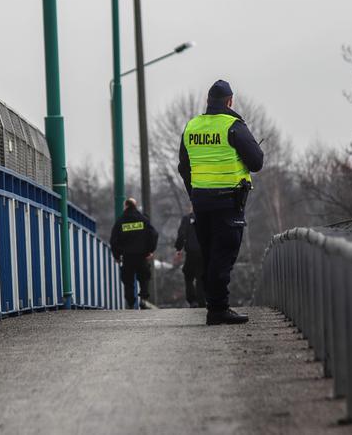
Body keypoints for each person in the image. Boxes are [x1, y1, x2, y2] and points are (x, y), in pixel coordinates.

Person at [177, 79, 264, 325]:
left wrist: (194, 193)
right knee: (223, 255)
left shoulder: (192, 127)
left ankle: (214, 306)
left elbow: (184, 167)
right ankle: (218, 310)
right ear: (230, 101)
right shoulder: (233, 126)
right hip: (228, 203)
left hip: (202, 203)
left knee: (209, 254)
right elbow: (257, 162)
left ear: (207, 101)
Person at [109, 198, 158, 309]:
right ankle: (144, 300)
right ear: (135, 206)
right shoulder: (143, 219)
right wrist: (150, 250)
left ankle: (131, 303)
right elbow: (154, 234)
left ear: (125, 206)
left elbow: (113, 240)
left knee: (128, 280)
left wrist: (117, 256)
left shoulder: (120, 221)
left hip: (127, 256)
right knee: (144, 277)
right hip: (142, 255)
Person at [174, 209, 205, 308]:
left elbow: (182, 234)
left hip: (191, 253)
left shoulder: (187, 219)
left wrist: (178, 248)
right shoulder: (207, 218)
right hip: (204, 253)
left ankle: (193, 300)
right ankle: (202, 300)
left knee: (188, 276)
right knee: (201, 277)